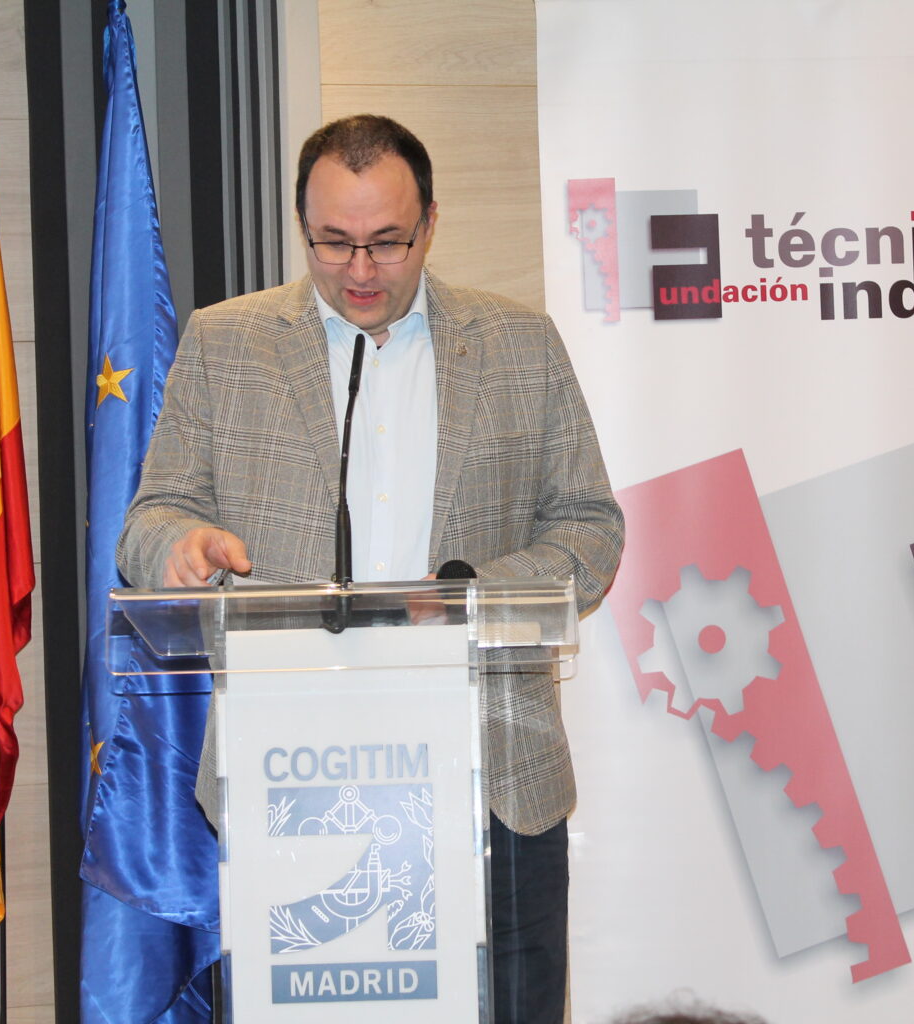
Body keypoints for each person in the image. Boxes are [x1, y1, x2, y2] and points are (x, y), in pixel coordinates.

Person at [117, 114, 624, 1022]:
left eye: (388, 242)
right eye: (333, 242)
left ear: (430, 223)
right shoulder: (225, 344)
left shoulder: (520, 344)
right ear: (301, 226)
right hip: (293, 779)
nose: (359, 271)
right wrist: (181, 547)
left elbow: (589, 529)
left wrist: (470, 596)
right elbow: (152, 518)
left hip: (493, 781)